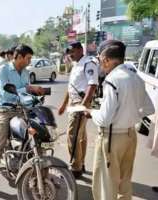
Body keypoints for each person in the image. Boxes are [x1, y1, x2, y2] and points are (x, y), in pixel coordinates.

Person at [84, 40, 154, 200]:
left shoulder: (112, 80)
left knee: (105, 185)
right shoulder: (136, 78)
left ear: (106, 59)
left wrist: (91, 112)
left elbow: (104, 119)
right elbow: (149, 109)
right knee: (124, 183)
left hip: (112, 139)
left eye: (100, 60)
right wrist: (130, 114)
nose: (100, 65)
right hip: (130, 136)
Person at [0, 44, 45, 198]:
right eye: (28, 58)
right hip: (5, 111)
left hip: (22, 109)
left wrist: (35, 93)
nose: (30, 61)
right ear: (19, 57)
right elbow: (5, 92)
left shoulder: (25, 72)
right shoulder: (3, 69)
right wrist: (28, 90)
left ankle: (35, 176)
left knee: (36, 139)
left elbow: (24, 88)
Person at [58, 41, 99, 178]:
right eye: (69, 53)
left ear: (80, 50)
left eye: (72, 52)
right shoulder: (76, 65)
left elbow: (92, 85)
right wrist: (64, 105)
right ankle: (80, 163)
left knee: (72, 135)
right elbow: (71, 87)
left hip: (80, 102)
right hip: (74, 102)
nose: (71, 55)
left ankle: (75, 168)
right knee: (80, 136)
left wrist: (83, 105)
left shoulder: (88, 63)